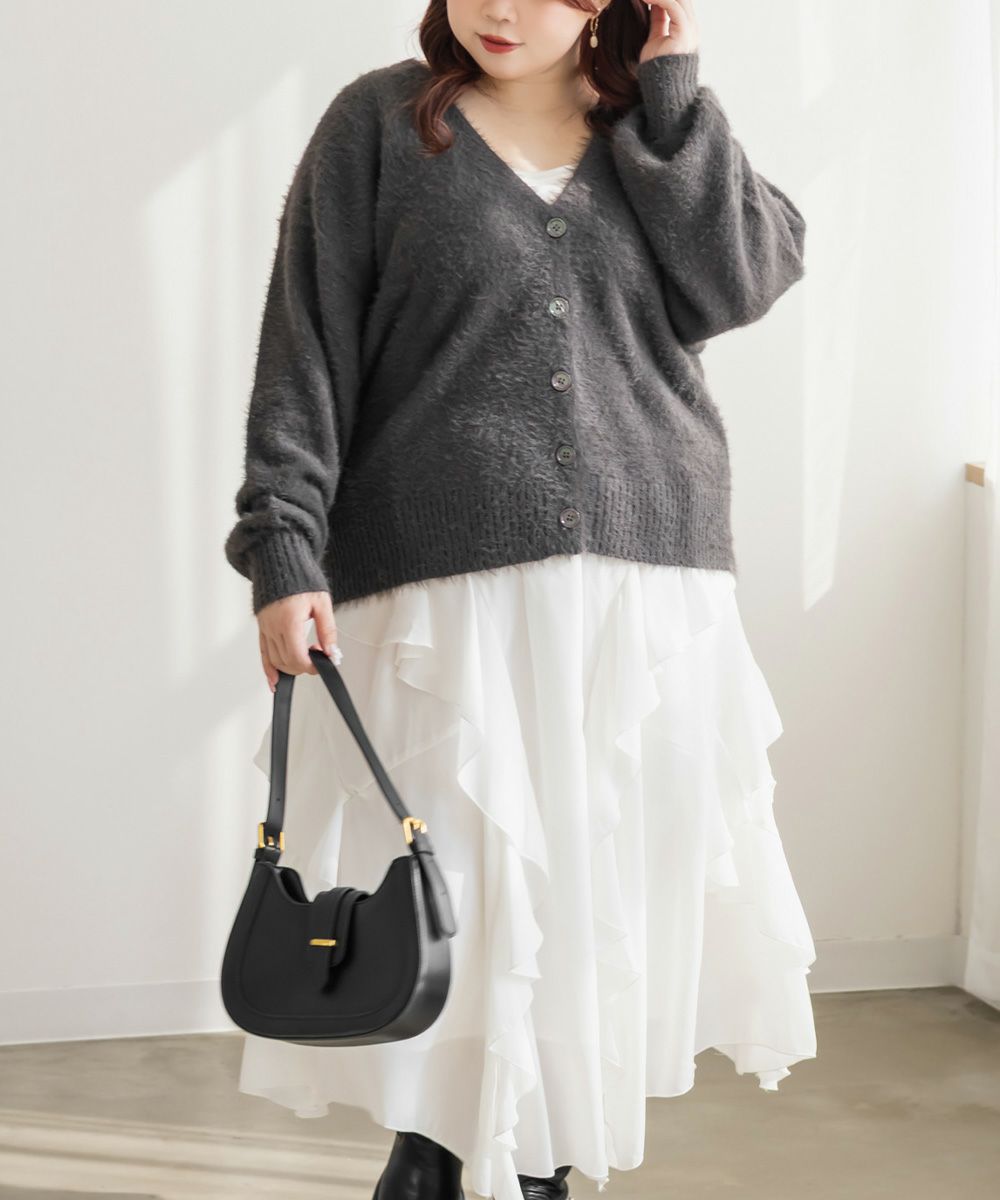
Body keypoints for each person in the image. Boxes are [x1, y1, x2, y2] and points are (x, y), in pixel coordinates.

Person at [223, 2, 818, 1198]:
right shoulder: (380, 127)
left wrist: (673, 98)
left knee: (592, 907)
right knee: (463, 901)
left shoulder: (654, 132)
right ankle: (443, 1163)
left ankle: (532, 1170)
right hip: (444, 594)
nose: (496, 8)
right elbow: (305, 352)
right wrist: (282, 546)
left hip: (641, 591)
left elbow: (745, 277)